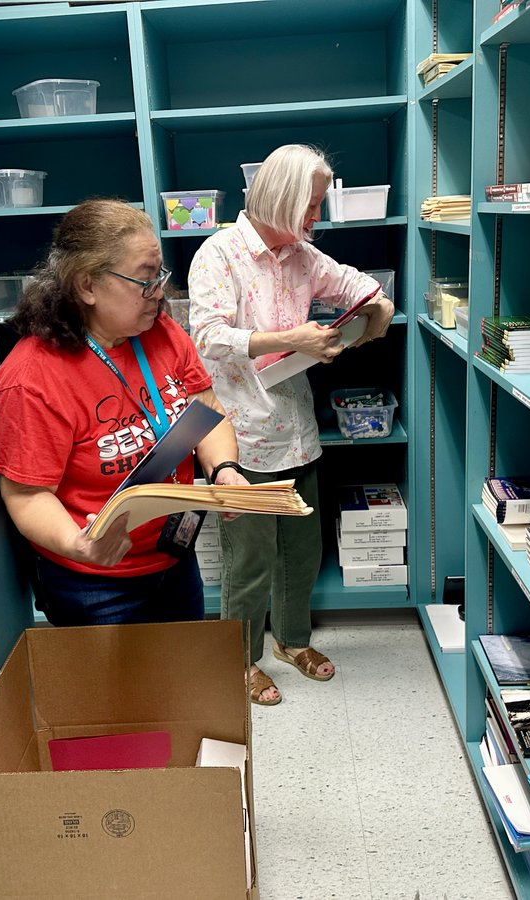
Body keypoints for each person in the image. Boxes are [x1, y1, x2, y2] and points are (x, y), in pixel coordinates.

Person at [187, 144, 395, 705]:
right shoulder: (218, 254)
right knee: (249, 562)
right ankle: (242, 661)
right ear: (279, 198)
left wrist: (376, 311)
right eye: (311, 206)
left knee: (302, 553)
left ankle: (292, 642)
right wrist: (292, 339)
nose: (316, 219)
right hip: (239, 439)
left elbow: (358, 286)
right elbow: (205, 337)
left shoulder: (303, 256)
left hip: (297, 432)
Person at [0, 198, 248, 626]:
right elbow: (26, 494)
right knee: (118, 693)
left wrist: (223, 468)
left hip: (174, 557)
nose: (160, 293)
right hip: (94, 582)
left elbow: (206, 410)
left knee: (180, 678)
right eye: (145, 280)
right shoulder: (31, 379)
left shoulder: (160, 331)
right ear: (86, 285)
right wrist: (78, 544)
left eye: (159, 275)